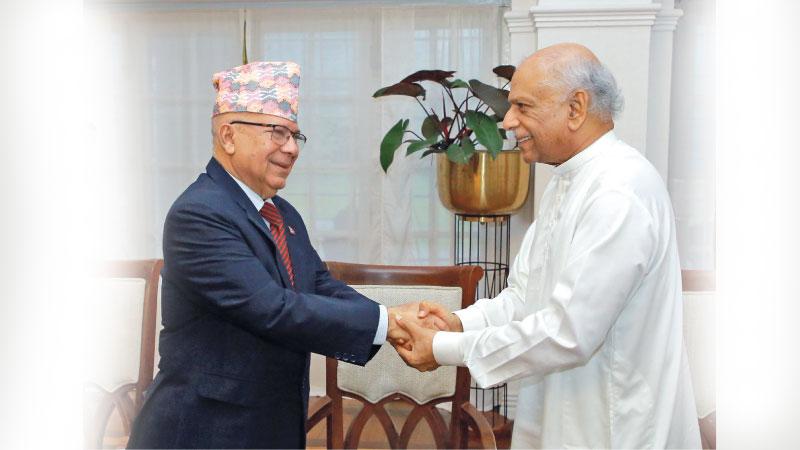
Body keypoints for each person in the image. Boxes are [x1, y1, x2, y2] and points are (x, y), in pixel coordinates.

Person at [393, 43, 702, 448]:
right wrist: (461, 323)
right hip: (559, 416)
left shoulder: (620, 191)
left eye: (522, 106)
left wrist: (445, 347)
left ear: (576, 108)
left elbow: (567, 333)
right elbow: (525, 297)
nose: (507, 122)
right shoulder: (565, 181)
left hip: (614, 427)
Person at [127, 61, 440, 449]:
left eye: (295, 135)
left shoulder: (282, 213)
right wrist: (387, 323)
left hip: (271, 425)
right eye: (277, 133)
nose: (292, 148)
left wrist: (390, 317)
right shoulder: (199, 214)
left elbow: (318, 285)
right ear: (228, 136)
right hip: (206, 430)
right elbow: (272, 308)